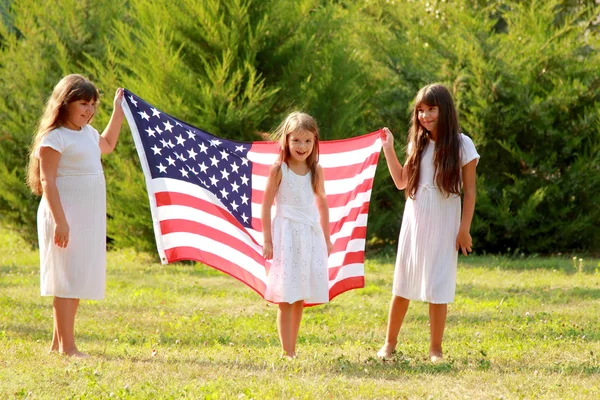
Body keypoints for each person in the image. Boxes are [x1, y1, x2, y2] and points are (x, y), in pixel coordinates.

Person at [377, 83, 479, 363]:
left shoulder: (463, 145)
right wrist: (388, 147)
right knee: (403, 282)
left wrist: (464, 229)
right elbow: (401, 181)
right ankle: (389, 343)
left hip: (446, 218)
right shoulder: (418, 143)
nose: (425, 116)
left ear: (444, 110)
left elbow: (469, 191)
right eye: (421, 110)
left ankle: (435, 348)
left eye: (431, 109)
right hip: (417, 215)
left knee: (438, 283)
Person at [26, 74, 124, 357]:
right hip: (64, 215)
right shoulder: (53, 138)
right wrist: (61, 221)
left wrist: (118, 110)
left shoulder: (88, 134)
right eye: (83, 103)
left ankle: (58, 344)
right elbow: (48, 181)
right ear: (64, 103)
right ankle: (68, 348)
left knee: (76, 276)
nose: (89, 110)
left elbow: (107, 144)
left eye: (93, 104)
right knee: (65, 279)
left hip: (85, 217)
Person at [262, 111, 333, 359]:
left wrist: (326, 237)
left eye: (307, 141)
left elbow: (322, 204)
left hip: (308, 235)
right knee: (286, 294)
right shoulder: (279, 170)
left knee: (299, 293)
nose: (301, 146)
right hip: (285, 236)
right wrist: (268, 239)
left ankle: (294, 348)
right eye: (296, 141)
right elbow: (266, 205)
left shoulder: (316, 170)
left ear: (314, 141)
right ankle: (286, 351)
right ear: (286, 140)